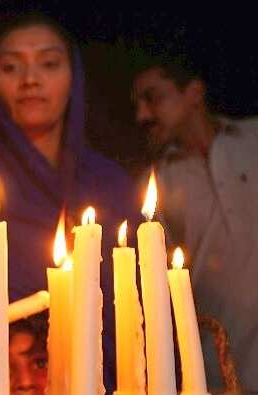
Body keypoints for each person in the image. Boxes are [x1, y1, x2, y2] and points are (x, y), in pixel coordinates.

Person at [0, 13, 138, 391]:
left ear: (74, 79)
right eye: (11, 66)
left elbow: (136, 312)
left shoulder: (111, 184)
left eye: (49, 64)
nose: (30, 79)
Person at [132, 52, 258, 392]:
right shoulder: (155, 183)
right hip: (218, 369)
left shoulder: (254, 139)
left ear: (194, 93)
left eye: (152, 98)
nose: (142, 114)